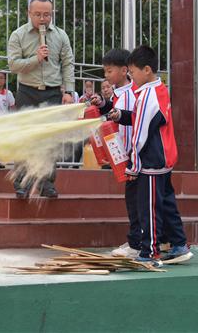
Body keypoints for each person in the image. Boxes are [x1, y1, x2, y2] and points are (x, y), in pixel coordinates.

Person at [108, 45, 191, 266]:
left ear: (146, 70)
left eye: (132, 72)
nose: (130, 76)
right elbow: (138, 118)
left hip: (151, 162)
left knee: (149, 209)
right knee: (166, 205)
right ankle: (179, 244)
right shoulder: (158, 89)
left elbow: (140, 134)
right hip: (163, 159)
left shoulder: (147, 95)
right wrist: (121, 115)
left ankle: (150, 253)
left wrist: (133, 165)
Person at [7, 0, 75, 199]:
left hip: (53, 92)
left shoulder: (61, 36)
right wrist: (35, 59)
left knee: (50, 140)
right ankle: (22, 183)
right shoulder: (18, 35)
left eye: (47, 14)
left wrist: (69, 92)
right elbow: (13, 65)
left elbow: (67, 63)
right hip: (27, 91)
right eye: (38, 14)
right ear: (29, 13)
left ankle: (46, 183)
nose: (43, 19)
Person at [90, 48, 139, 258]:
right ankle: (145, 240)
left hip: (136, 155)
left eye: (109, 71)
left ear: (124, 70)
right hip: (125, 156)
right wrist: (102, 105)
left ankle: (138, 243)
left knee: (137, 202)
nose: (106, 76)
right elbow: (114, 111)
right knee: (134, 200)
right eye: (105, 72)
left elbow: (132, 117)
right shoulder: (118, 93)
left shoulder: (136, 92)